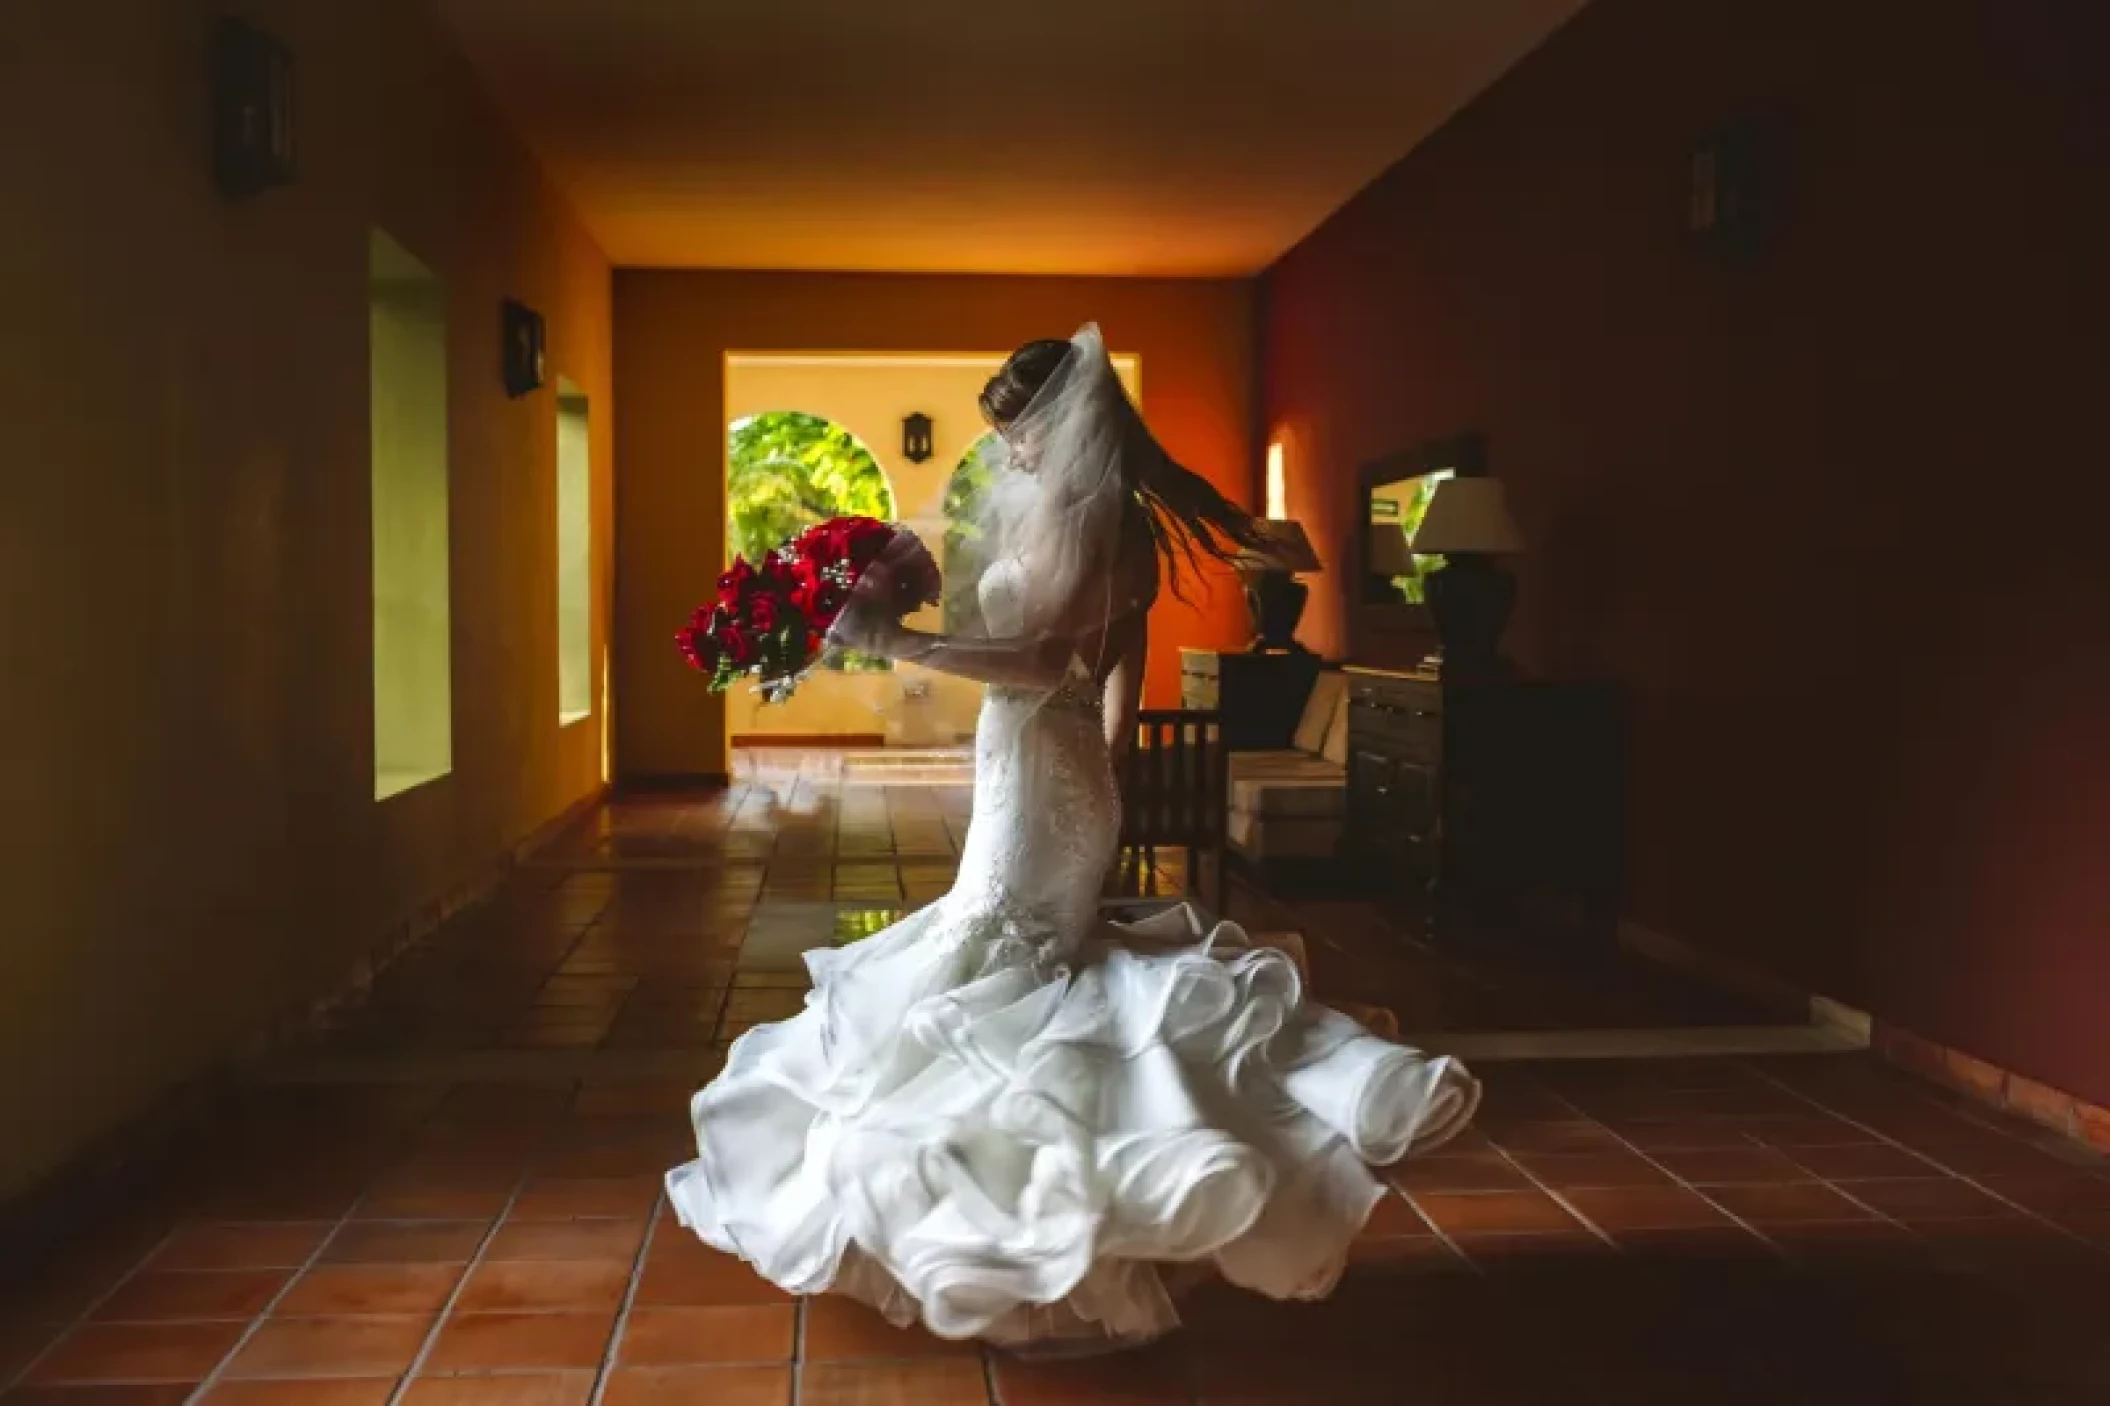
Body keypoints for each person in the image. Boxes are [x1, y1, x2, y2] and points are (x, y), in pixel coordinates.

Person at [665, 325, 1480, 1355]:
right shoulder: (1097, 518)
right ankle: (1048, 1221)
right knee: (1019, 968)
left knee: (1006, 969)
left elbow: (1047, 654)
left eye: (1018, 432)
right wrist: (1108, 761)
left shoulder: (1089, 521)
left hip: (1041, 770)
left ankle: (1035, 1224)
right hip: (1043, 767)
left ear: (1060, 421)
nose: (1013, 452)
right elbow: (1119, 655)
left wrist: (902, 643)